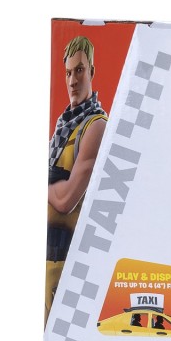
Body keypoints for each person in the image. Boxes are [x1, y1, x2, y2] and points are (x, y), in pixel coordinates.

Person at [46, 36, 108, 322]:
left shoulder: (95, 126)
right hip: (49, 257)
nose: (72, 80)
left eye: (80, 70)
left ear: (91, 72)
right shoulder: (62, 127)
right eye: (68, 72)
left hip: (69, 260)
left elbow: (65, 200)